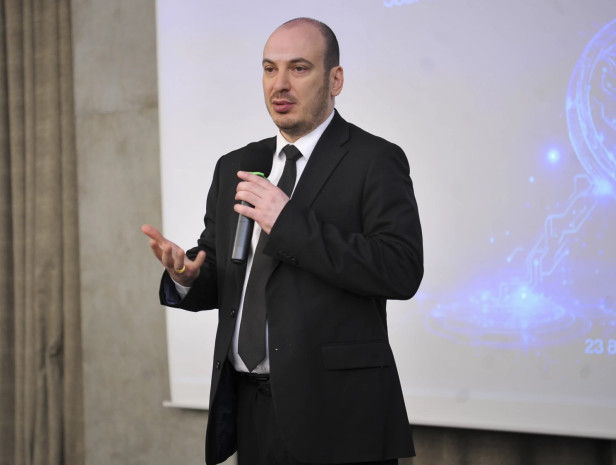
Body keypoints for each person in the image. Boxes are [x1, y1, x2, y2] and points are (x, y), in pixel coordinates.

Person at [142, 17, 423, 465]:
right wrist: (188, 276)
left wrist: (289, 221)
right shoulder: (236, 164)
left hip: (339, 413)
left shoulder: (374, 159)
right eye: (270, 69)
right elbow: (227, 271)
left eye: (299, 68)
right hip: (252, 409)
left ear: (335, 80)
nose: (280, 84)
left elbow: (400, 269)